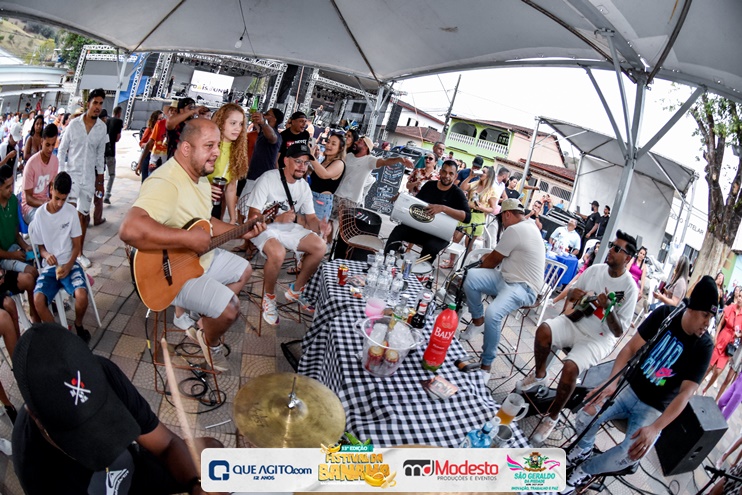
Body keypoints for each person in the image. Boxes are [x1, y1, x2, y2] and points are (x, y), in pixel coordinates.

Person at [119, 119, 264, 372]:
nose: (216, 152)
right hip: (172, 276)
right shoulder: (166, 182)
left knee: (245, 270)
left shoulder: (200, 177)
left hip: (199, 261)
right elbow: (129, 229)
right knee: (230, 309)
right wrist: (187, 239)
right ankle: (210, 341)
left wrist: (243, 232)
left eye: (217, 145)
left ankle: (198, 321)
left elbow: (206, 222)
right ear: (186, 148)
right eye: (209, 145)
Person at [12, 322, 220, 494]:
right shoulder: (34, 468)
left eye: (99, 413)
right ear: (35, 417)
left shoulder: (104, 373)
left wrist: (196, 485)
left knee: (213, 452)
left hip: (135, 471)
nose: (97, 441)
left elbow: (166, 444)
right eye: (79, 433)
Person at [562, 276, 716, 494]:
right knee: (585, 414)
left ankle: (585, 470)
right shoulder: (665, 315)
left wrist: (656, 428)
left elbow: (686, 394)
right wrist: (611, 383)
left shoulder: (705, 346)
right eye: (705, 315)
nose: (708, 323)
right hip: (629, 387)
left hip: (654, 408)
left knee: (630, 454)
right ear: (691, 309)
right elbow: (630, 348)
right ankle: (584, 449)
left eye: (712, 317)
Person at [517, 231, 639, 445]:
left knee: (570, 367)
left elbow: (619, 331)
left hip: (599, 338)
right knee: (544, 330)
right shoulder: (595, 270)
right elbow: (573, 294)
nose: (610, 250)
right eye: (612, 245)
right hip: (575, 321)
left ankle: (552, 416)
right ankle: (539, 375)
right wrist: (574, 297)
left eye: (617, 249)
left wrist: (608, 309)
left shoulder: (630, 288)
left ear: (627, 258)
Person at [460, 198, 545, 379]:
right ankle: (478, 321)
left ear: (507, 214)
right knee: (472, 277)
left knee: (493, 313)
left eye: (502, 220)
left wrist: (483, 262)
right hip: (507, 277)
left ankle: (486, 366)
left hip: (524, 287)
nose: (502, 224)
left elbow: (492, 261)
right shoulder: (529, 225)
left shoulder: (515, 230)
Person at [245, 143, 325, 326]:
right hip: (262, 227)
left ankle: (295, 290)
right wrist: (276, 219)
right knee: (278, 252)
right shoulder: (268, 178)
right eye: (298, 161)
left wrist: (320, 227)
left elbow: (311, 218)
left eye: (306, 163)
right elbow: (253, 216)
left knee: (320, 246)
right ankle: (269, 297)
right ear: (286, 161)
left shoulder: (304, 186)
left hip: (287, 227)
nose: (302, 167)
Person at [29, 172, 90, 343]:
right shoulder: (40, 215)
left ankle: (78, 325)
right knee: (38, 300)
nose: (59, 204)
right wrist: (46, 255)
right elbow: (41, 248)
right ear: (51, 189)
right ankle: (60, 336)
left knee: (82, 296)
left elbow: (77, 246)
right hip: (50, 268)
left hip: (70, 263)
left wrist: (69, 266)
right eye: (57, 198)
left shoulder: (71, 212)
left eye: (64, 199)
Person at [57, 88, 109, 269]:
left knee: (83, 217)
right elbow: (62, 150)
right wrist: (61, 174)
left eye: (101, 103)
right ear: (88, 104)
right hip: (71, 176)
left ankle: (79, 253)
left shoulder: (102, 128)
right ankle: (63, 251)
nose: (98, 107)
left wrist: (100, 182)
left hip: (88, 178)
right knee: (68, 213)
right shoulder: (74, 124)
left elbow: (100, 156)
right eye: (95, 103)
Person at [385, 160, 470, 261]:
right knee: (398, 231)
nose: (447, 176)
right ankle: (387, 261)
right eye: (444, 172)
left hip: (439, 234)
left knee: (431, 247)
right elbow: (416, 204)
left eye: (451, 173)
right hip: (420, 228)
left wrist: (443, 208)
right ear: (440, 172)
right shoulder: (429, 185)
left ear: (455, 176)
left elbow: (467, 217)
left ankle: (421, 269)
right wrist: (403, 198)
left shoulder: (457, 193)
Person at [333, 135, 413, 212]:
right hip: (336, 194)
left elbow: (384, 162)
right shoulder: (349, 156)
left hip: (351, 200)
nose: (356, 142)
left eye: (359, 142)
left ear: (366, 147)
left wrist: (399, 159)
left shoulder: (369, 160)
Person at [441, 165, 498, 269]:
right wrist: (470, 177)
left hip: (478, 216)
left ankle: (464, 266)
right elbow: (462, 188)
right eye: (481, 171)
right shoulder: (476, 183)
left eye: (483, 172)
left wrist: (483, 208)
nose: (481, 173)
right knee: (455, 238)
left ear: (489, 176)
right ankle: (451, 262)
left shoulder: (492, 190)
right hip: (467, 212)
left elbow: (493, 208)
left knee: (468, 244)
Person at [207, 103, 248, 223]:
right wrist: (204, 187)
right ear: (221, 123)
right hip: (194, 202)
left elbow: (231, 188)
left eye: (241, 124)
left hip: (214, 207)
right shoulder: (207, 145)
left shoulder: (237, 152)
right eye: (233, 123)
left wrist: (232, 218)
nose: (238, 128)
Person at [702, 286, 742, 396]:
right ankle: (698, 384)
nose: (740, 298)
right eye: (739, 296)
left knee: (718, 371)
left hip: (730, 345)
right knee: (709, 366)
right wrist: (715, 337)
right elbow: (720, 323)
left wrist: (738, 335)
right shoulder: (730, 308)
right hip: (721, 338)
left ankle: (705, 389)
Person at [307, 131, 345, 243]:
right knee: (304, 231)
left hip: (320, 202)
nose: (328, 145)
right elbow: (316, 175)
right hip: (310, 197)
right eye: (328, 142)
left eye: (333, 144)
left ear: (340, 148)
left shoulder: (339, 163)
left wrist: (311, 158)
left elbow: (324, 174)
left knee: (314, 236)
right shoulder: (324, 161)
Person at [239, 107, 283, 201]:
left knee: (249, 205)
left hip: (261, 177)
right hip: (253, 175)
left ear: (274, 119)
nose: (264, 115)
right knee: (243, 204)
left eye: (267, 114)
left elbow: (272, 136)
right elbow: (261, 130)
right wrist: (256, 120)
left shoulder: (275, 135)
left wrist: (263, 123)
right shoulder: (263, 133)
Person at [22, 123, 59, 224]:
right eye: (47, 145)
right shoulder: (31, 164)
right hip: (29, 207)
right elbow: (28, 199)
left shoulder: (55, 161)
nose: (50, 149)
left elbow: (52, 189)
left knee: (63, 219)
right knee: (44, 223)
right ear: (42, 141)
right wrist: (46, 203)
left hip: (45, 203)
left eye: (53, 144)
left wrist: (54, 202)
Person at [135, 109, 164, 182]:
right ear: (154, 120)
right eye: (159, 119)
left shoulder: (163, 130)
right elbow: (141, 143)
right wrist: (150, 144)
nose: (161, 121)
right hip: (148, 154)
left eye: (162, 119)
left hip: (159, 156)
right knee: (145, 179)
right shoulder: (149, 130)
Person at [102, 106, 123, 205]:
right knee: (112, 174)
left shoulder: (106, 121)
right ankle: (107, 194)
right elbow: (117, 138)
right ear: (119, 113)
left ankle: (98, 191)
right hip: (111, 151)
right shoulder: (119, 122)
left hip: (102, 151)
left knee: (100, 173)